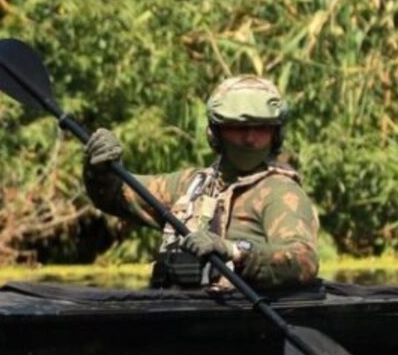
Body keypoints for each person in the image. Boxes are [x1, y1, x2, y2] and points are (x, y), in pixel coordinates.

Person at [83, 75, 320, 290]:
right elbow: (116, 196)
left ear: (276, 134)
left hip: (241, 320)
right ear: (215, 131)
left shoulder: (279, 191)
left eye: (261, 128)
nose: (250, 138)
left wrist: (235, 250)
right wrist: (100, 168)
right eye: (238, 128)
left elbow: (303, 260)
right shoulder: (190, 185)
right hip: (177, 312)